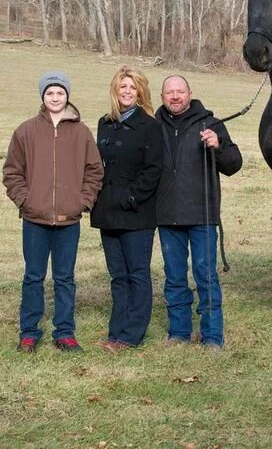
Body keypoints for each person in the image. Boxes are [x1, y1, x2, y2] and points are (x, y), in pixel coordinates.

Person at [3, 71, 104, 353]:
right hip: (35, 219)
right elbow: (12, 172)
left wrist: (82, 202)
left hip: (69, 220)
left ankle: (64, 332)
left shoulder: (81, 132)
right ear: (43, 97)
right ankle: (29, 332)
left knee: (65, 278)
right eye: (50, 93)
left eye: (60, 93)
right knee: (33, 276)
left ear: (67, 95)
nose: (55, 97)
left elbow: (94, 171)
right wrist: (26, 201)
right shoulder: (26, 131)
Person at [156, 75, 242, 349]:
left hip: (202, 215)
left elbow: (234, 164)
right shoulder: (153, 126)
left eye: (180, 91)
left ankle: (212, 336)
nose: (175, 96)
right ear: (162, 96)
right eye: (170, 92)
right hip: (167, 216)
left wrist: (218, 146)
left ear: (190, 94)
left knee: (205, 275)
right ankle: (179, 332)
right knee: (174, 277)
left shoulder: (210, 123)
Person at [91, 66, 163, 352]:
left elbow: (153, 169)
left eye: (132, 87)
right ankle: (115, 331)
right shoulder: (104, 123)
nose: (127, 92)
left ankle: (132, 335)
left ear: (140, 91)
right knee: (117, 275)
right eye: (123, 87)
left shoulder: (150, 126)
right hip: (107, 211)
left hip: (137, 213)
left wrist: (132, 197)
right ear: (115, 90)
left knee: (137, 273)